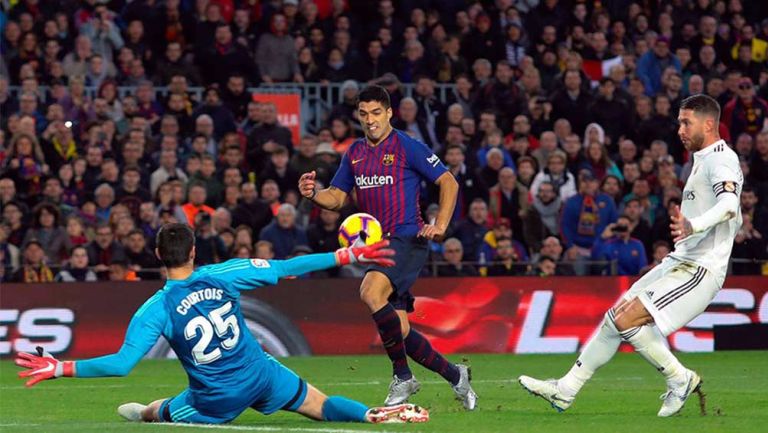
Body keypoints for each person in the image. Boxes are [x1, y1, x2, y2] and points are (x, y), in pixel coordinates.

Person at [14, 223, 429, 425]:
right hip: (260, 372)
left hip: (215, 397)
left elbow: (121, 364)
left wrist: (61, 367)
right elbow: (287, 266)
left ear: (158, 254)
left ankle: (145, 414)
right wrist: (344, 257)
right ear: (194, 250)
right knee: (319, 405)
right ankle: (372, 415)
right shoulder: (223, 274)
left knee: (158, 412)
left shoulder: (154, 309)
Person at [519, 94, 743, 417]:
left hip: (701, 268)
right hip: (681, 261)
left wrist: (694, 224)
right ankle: (565, 390)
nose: (679, 129)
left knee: (627, 320)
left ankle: (679, 379)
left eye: (686, 122)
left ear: (709, 124)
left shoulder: (722, 159)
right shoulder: (702, 159)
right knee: (614, 317)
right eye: (679, 121)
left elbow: (729, 206)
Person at [298, 85, 477, 410]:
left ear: (389, 113)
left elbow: (448, 181)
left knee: (370, 292)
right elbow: (337, 198)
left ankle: (403, 378)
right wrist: (313, 193)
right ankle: (456, 375)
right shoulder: (354, 152)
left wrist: (440, 225)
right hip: (378, 246)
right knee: (401, 329)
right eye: (364, 114)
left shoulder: (408, 147)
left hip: (408, 238)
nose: (370, 120)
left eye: (376, 113)